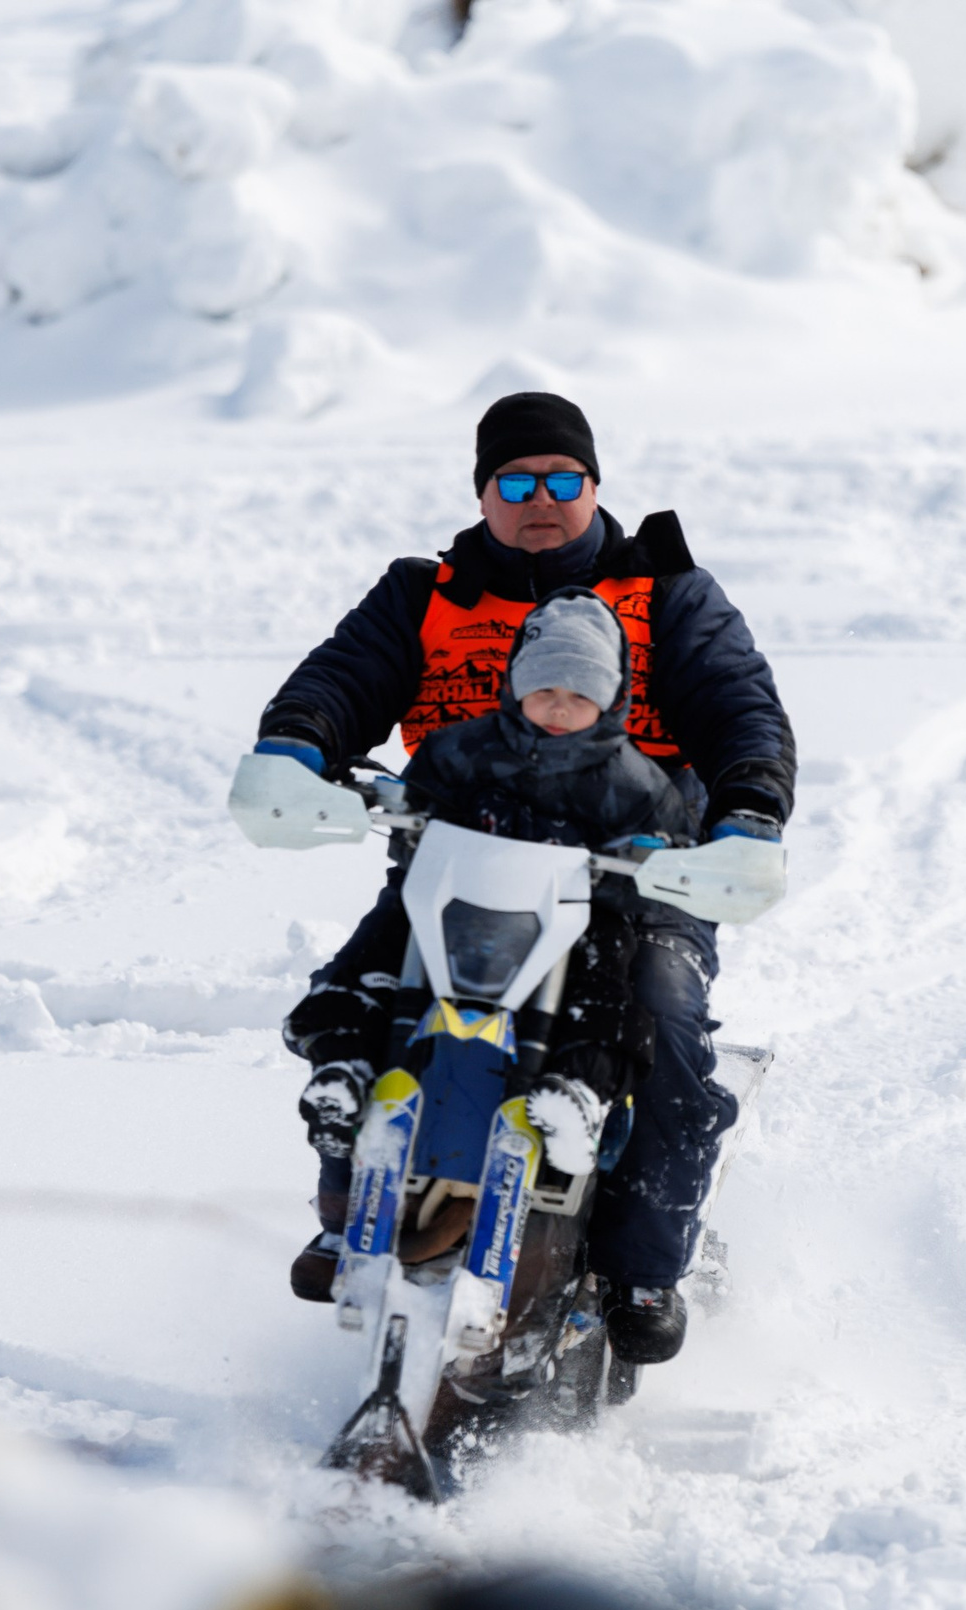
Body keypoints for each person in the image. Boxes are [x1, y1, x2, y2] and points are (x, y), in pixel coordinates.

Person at [256, 392, 794, 1364]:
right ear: (481, 492)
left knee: (662, 1027)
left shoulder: (664, 591)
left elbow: (739, 707)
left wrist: (746, 819)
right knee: (369, 1002)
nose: (538, 498)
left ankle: (642, 1268)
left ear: (593, 487)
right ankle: (352, 1205)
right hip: (465, 871)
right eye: (514, 480)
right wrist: (294, 751)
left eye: (560, 479)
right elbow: (339, 682)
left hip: (640, 882)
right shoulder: (423, 596)